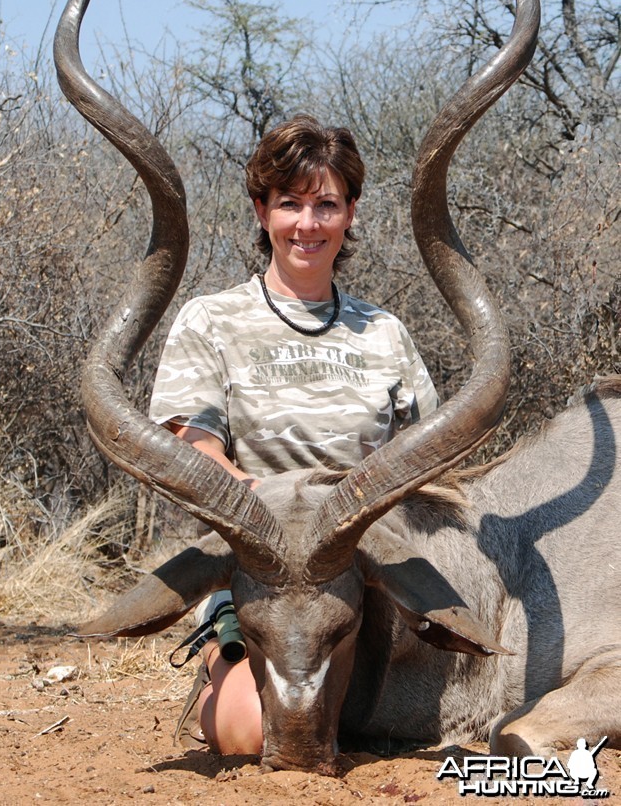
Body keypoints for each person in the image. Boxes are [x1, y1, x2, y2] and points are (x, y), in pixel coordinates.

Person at [149, 114, 439, 754]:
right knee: (254, 736)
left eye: (326, 204)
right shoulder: (212, 319)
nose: (308, 223)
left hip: (363, 568)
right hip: (263, 574)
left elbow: (420, 456)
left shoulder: (384, 332)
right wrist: (263, 509)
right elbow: (191, 443)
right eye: (290, 204)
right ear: (262, 210)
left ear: (351, 213)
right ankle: (222, 652)